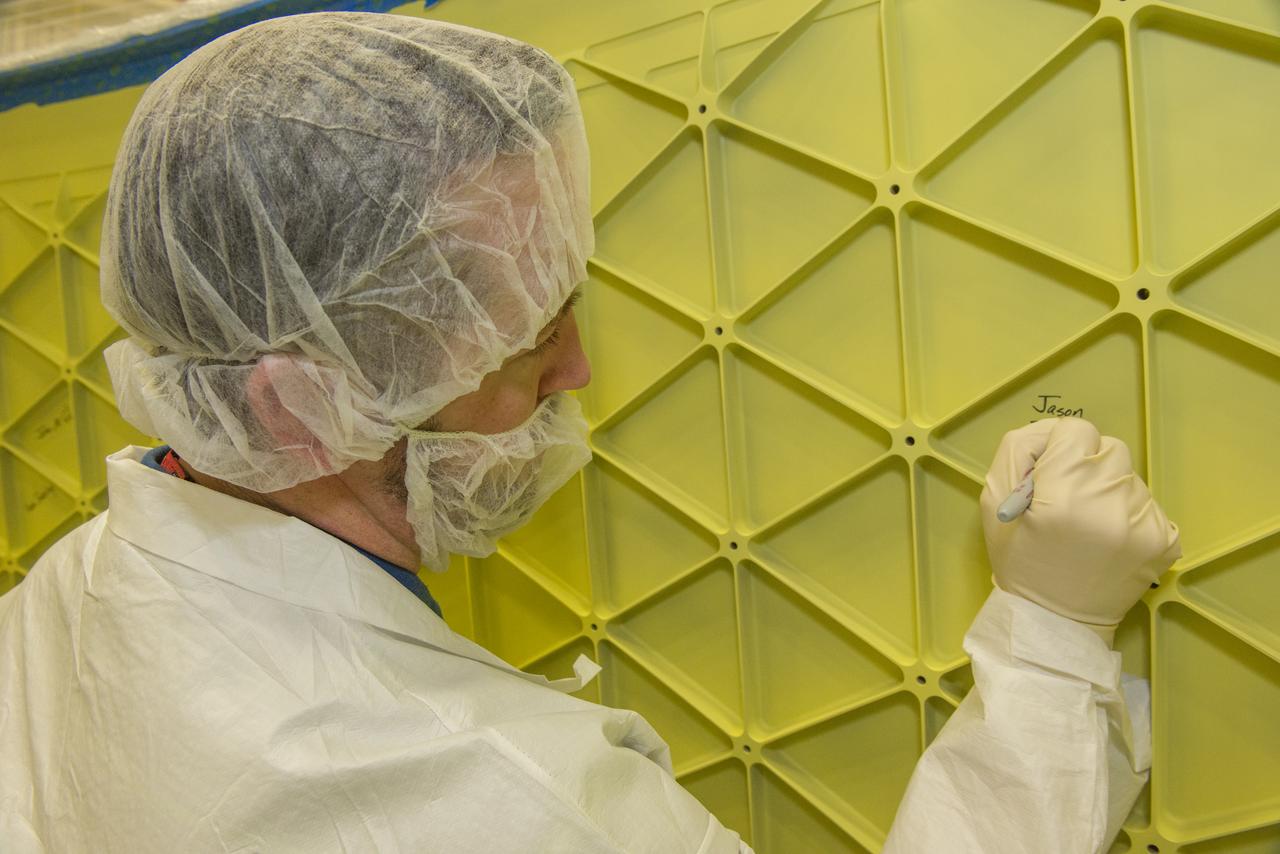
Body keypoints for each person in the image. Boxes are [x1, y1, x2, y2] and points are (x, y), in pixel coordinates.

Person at [0, 12, 1181, 853]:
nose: (577, 370)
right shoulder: (493, 799)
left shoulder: (63, 593)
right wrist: (1049, 641)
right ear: (299, 410)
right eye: (522, 347)